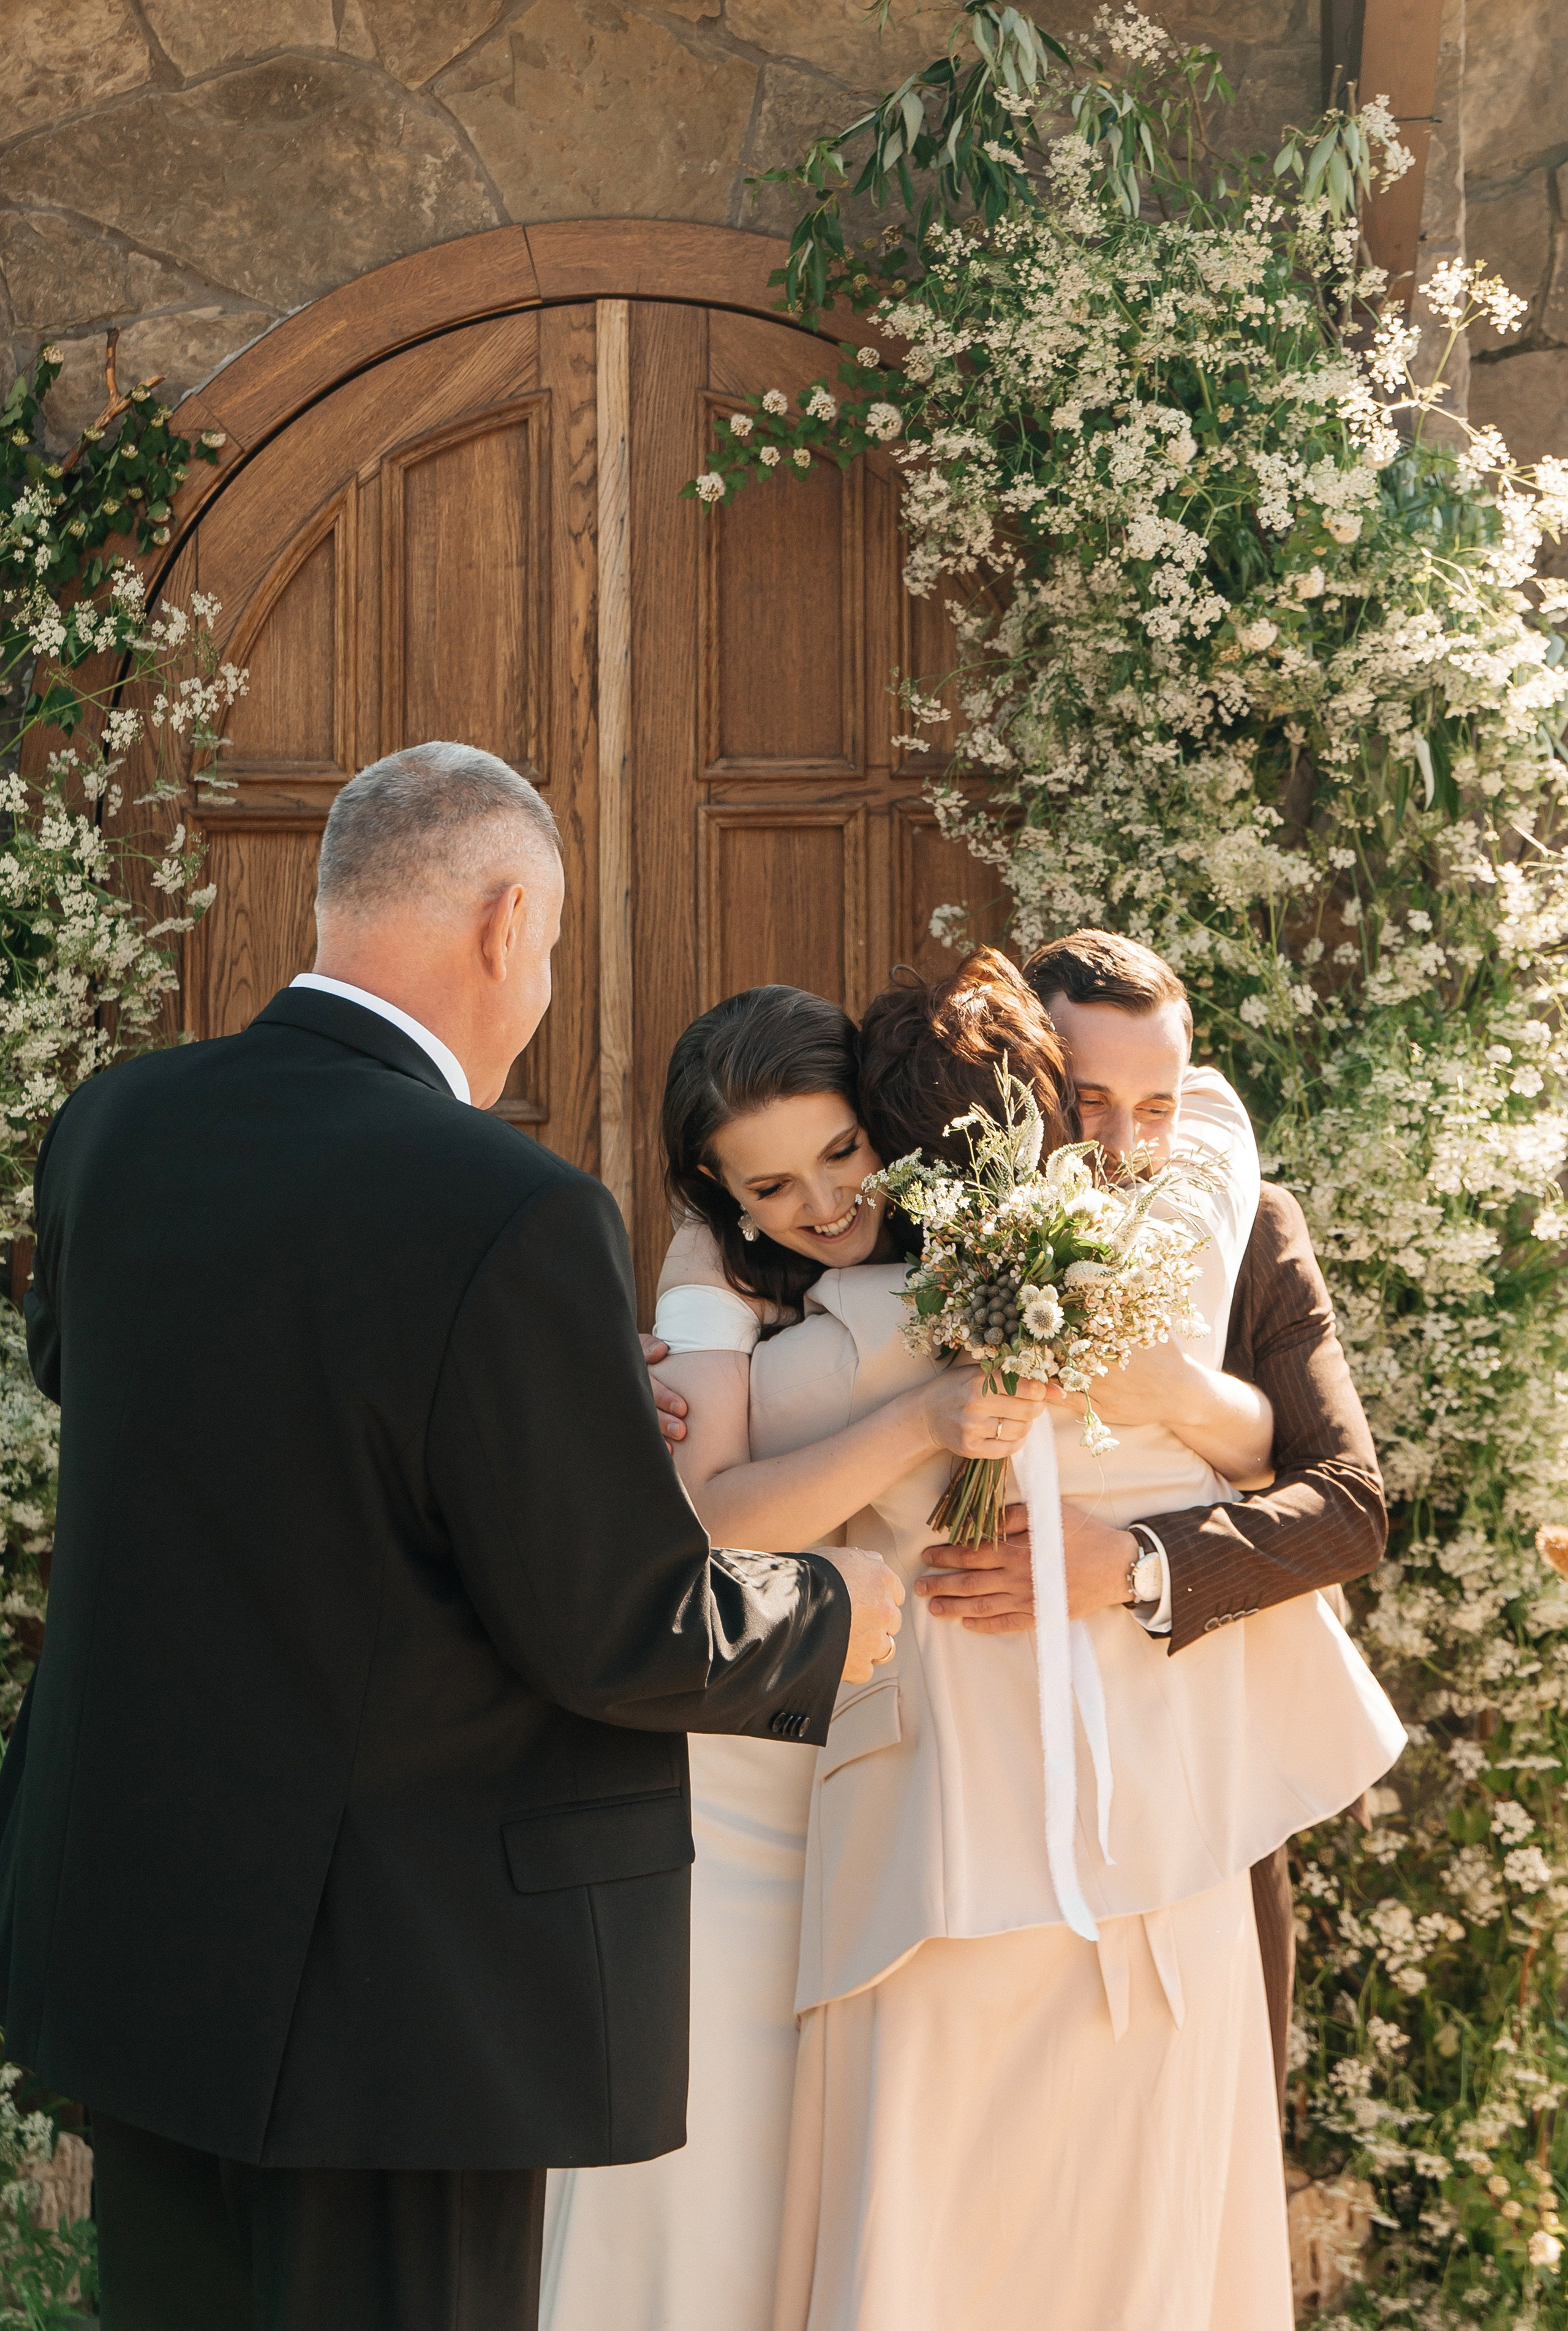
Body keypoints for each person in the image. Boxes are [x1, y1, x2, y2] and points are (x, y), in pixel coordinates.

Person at [0, 742, 903, 2331]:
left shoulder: (116, 1129)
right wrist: (837, 1604)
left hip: (145, 1939)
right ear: (504, 924)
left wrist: (523, 1396)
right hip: (402, 1999)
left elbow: (136, 1392)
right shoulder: (512, 1208)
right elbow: (614, 1621)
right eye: (548, 950)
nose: (540, 983)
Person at [541, 982, 1054, 2331]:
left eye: (840, 1153)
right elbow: (712, 1517)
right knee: (724, 2131)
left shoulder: (986, 1230)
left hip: (911, 1739)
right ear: (717, 1194)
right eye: (768, 1186)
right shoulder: (709, 1279)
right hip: (746, 1767)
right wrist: (930, 1414)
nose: (822, 1204)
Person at [924, 927, 1389, 2104]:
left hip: (1209, 1778)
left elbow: (1348, 1508)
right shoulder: (933, 1226)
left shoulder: (1257, 1228)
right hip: (979, 1786)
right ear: (1032, 1083)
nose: (1127, 1146)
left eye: (1160, 1106)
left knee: (1211, 2152)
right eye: (1090, 1102)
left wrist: (1131, 1557)